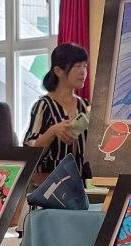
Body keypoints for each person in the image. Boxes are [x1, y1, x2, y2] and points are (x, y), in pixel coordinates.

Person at [23, 43, 89, 176]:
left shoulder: (84, 105)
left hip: (80, 182)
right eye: (77, 66)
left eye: (85, 66)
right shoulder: (44, 106)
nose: (83, 71)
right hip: (50, 183)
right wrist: (52, 131)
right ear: (59, 71)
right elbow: (30, 151)